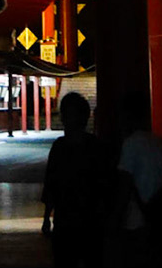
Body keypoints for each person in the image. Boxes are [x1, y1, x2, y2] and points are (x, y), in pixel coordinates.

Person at [42, 91, 105, 268]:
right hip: (91, 219)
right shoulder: (95, 146)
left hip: (65, 218)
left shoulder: (59, 147)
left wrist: (47, 216)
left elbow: (51, 183)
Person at [110, 90, 162, 267]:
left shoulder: (131, 144)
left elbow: (125, 183)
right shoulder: (157, 141)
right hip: (157, 214)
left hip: (136, 219)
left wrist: (115, 219)